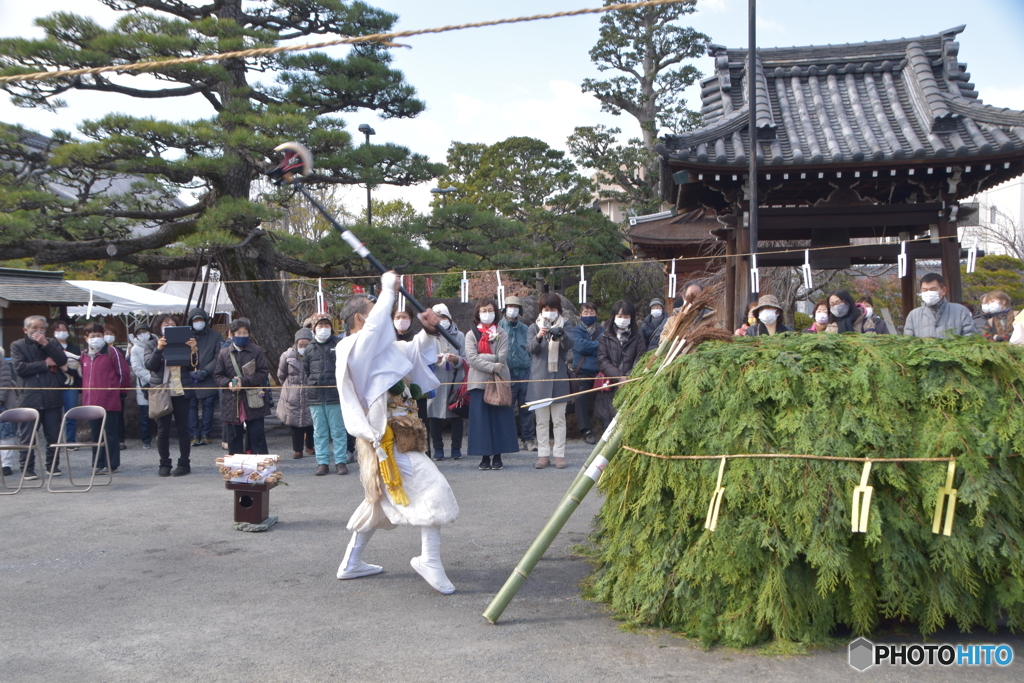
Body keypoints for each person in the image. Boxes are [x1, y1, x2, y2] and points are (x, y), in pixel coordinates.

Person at [334, 272, 460, 595]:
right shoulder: (352, 348)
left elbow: (416, 350)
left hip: (401, 436)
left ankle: (351, 562)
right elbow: (375, 331)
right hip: (387, 441)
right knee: (433, 488)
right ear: (361, 318)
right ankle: (429, 559)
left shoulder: (386, 350)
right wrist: (388, 289)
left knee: (377, 501)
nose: (386, 317)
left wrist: (431, 331)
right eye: (377, 310)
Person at [10, 315, 68, 480]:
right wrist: (45, 364)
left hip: (52, 395)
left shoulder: (52, 343)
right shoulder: (17, 345)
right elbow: (20, 368)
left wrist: (45, 344)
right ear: (25, 330)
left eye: (41, 328)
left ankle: (53, 466)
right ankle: (27, 469)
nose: (38, 332)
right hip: (29, 397)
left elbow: (62, 360)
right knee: (27, 436)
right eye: (34, 328)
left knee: (53, 434)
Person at [465, 298, 520, 471]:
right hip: (478, 382)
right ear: (478, 313)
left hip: (499, 380)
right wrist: (492, 364)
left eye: (490, 310)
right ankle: (484, 456)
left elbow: (502, 357)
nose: (487, 313)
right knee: (481, 420)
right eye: (483, 310)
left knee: (499, 419)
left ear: (495, 312)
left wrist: (485, 359)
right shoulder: (471, 334)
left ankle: (498, 456)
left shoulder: (502, 332)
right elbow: (471, 359)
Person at [527, 292, 574, 469]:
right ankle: (543, 454)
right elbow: (530, 349)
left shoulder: (566, 324)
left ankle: (559, 454)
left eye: (553, 309)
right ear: (541, 310)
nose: (549, 312)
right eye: (546, 309)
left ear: (558, 310)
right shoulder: (533, 327)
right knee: (541, 420)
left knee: (559, 419)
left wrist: (562, 335)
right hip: (539, 380)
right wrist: (539, 336)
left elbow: (570, 345)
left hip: (559, 378)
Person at [146, 314, 196, 477]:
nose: (169, 325)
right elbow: (150, 365)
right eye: (165, 323)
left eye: (172, 323)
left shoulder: (186, 342)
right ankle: (164, 463)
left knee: (183, 428)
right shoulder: (152, 343)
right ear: (158, 327)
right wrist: (158, 349)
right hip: (162, 390)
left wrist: (194, 350)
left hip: (181, 389)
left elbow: (193, 367)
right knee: (163, 429)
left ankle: (184, 463)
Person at [80, 323, 131, 474]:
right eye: (92, 336)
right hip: (91, 401)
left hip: (109, 400)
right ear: (86, 338)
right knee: (95, 434)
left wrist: (120, 392)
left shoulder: (112, 351)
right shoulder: (83, 355)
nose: (96, 338)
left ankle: (111, 463)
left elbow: (123, 374)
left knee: (110, 432)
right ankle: (97, 462)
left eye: (98, 335)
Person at [214, 319, 270, 456]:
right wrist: (229, 383)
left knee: (257, 434)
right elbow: (217, 375)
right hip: (232, 400)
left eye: (245, 333)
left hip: (253, 397)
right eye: (239, 333)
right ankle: (237, 468)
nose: (242, 336)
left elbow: (263, 373)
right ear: (231, 334)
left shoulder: (256, 351)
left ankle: (260, 466)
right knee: (234, 436)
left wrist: (243, 381)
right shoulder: (224, 353)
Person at [304, 313, 349, 476]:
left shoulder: (340, 344)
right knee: (319, 431)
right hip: (315, 395)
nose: (324, 329)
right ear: (314, 328)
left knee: (338, 430)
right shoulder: (309, 348)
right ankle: (322, 462)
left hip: (334, 394)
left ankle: (340, 461)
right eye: (320, 326)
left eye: (327, 325)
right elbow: (306, 369)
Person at [595, 301, 645, 432]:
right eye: (620, 316)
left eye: (626, 317)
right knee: (609, 426)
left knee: (628, 424)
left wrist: (628, 377)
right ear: (614, 316)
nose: (623, 320)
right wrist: (618, 376)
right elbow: (602, 360)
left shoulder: (638, 336)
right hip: (610, 384)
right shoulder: (605, 336)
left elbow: (641, 359)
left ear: (632, 318)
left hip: (630, 383)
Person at [425, 304, 465, 461]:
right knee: (433, 415)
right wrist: (434, 359)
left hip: (454, 380)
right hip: (435, 379)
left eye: (444, 317)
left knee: (456, 414)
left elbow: (467, 358)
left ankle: (456, 448)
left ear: (449, 318)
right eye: (438, 317)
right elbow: (421, 358)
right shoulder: (428, 336)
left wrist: (457, 359)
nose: (442, 321)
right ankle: (438, 449)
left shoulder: (459, 335)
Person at [499, 295, 535, 451]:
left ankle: (529, 439)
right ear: (504, 308)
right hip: (506, 373)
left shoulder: (525, 328)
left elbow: (531, 348)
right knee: (506, 409)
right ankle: (507, 440)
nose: (512, 309)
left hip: (525, 371)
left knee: (527, 408)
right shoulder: (498, 328)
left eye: (515, 306)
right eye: (509, 306)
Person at [185, 307, 223, 447]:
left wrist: (206, 371)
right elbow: (181, 355)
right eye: (196, 320)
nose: (198, 322)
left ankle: (206, 433)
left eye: (201, 319)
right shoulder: (186, 337)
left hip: (208, 376)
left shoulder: (216, 336)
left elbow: (218, 356)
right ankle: (194, 434)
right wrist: (188, 371)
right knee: (191, 405)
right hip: (190, 377)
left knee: (208, 405)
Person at [277, 328, 315, 459]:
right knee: (295, 424)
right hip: (292, 393)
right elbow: (281, 375)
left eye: (307, 345)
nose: (303, 347)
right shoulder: (287, 356)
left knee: (311, 422)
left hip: (310, 392)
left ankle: (310, 446)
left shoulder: (315, 354)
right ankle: (297, 449)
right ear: (296, 344)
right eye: (301, 345)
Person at [903, 274, 977, 339]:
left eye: (933, 289)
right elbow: (908, 341)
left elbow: (970, 336)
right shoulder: (914, 315)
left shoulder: (960, 311)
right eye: (925, 290)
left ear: (943, 290)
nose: (929, 293)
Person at [572, 301, 602, 445]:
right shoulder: (576, 331)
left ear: (596, 314)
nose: (588, 315)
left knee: (606, 397)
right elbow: (580, 347)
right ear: (580, 315)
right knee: (580, 398)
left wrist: (590, 346)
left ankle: (605, 427)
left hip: (600, 371)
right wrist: (596, 346)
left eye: (591, 312)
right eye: (585, 312)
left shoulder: (602, 330)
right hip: (582, 371)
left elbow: (605, 348)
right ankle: (586, 430)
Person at [52, 320, 81, 446]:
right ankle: (55, 441)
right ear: (53, 332)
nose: (61, 332)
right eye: (58, 330)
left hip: (71, 385)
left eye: (64, 329)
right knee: (54, 417)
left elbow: (79, 367)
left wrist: (67, 369)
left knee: (71, 415)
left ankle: (70, 442)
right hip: (54, 385)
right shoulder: (50, 346)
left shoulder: (74, 347)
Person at [129, 323, 155, 449]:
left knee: (161, 411)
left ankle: (160, 436)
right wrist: (152, 378)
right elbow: (137, 368)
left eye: (145, 331)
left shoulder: (157, 344)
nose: (143, 334)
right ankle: (146, 439)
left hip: (159, 383)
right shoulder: (134, 349)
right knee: (145, 415)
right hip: (144, 384)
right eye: (139, 333)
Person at [0, 346, 17, 477]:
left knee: (6, 434)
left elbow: (4, 379)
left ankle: (6, 464)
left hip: (3, 402)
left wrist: (0, 398)